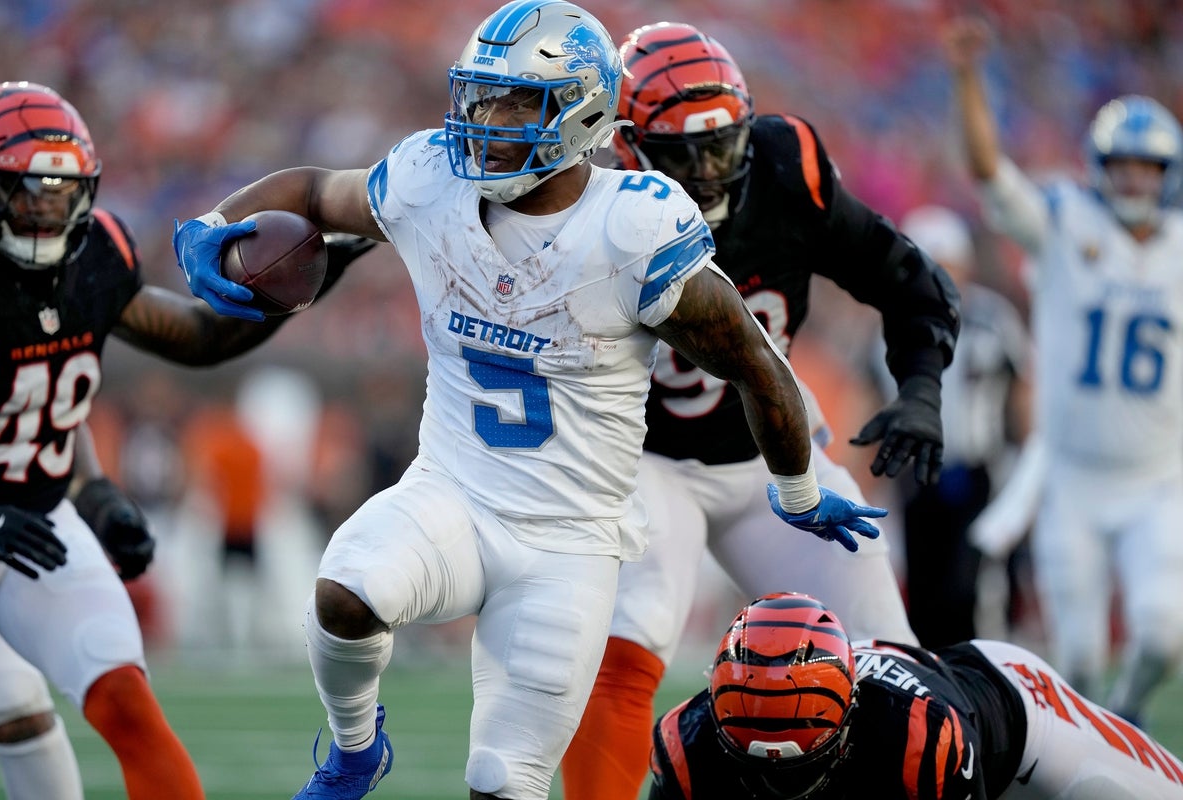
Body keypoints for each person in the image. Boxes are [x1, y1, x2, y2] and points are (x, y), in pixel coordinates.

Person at [172, 3, 889, 799]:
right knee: (344, 590)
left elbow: (757, 365)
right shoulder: (431, 181)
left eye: (516, 103)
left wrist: (797, 489)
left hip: (568, 542)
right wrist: (214, 222)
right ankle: (353, 751)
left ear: (581, 113)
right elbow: (314, 190)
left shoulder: (632, 227)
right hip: (452, 491)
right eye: (480, 97)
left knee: (502, 780)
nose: (486, 120)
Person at [559, 22, 962, 799]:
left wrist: (921, 388)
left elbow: (910, 281)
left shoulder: (785, 170)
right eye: (686, 154)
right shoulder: (592, 212)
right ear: (629, 148)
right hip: (644, 463)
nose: (711, 172)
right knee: (629, 638)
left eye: (724, 147)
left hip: (775, 457)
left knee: (893, 662)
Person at [0, 80, 373, 799]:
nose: (47, 209)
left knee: (124, 700)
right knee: (13, 708)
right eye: (28, 191)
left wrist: (94, 493)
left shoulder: (93, 257)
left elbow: (193, 338)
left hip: (34, 520)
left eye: (62, 192)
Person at [943, 16, 1183, 726]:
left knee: (1163, 633)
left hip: (1156, 479)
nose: (1133, 177)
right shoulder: (1065, 220)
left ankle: (1128, 710)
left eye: (1146, 166)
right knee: (1076, 659)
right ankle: (1097, 744)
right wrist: (967, 77)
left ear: (1166, 174)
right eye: (1122, 163)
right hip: (1071, 476)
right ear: (1099, 165)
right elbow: (989, 172)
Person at [650, 592, 1183, 800]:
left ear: (851, 713)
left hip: (1022, 723)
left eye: (800, 771)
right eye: (761, 773)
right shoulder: (686, 747)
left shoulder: (918, 737)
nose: (783, 790)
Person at [894, 204, 1032, 648]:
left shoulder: (993, 317)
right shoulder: (892, 321)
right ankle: (937, 681)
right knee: (924, 595)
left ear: (965, 265)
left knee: (976, 590)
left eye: (946, 265)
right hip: (915, 475)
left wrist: (1029, 470)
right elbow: (870, 401)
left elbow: (1023, 393)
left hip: (979, 470)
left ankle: (985, 674)